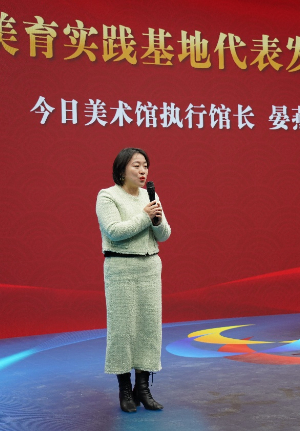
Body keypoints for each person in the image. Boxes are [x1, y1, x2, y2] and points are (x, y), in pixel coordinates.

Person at [95, 147, 171, 413]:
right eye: (136, 166)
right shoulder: (108, 196)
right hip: (121, 269)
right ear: (121, 169)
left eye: (145, 166)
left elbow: (164, 235)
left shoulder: (151, 197)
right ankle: (125, 389)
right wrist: (144, 216)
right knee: (123, 330)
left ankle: (143, 388)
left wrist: (157, 221)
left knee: (149, 329)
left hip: (149, 267)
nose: (142, 171)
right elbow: (114, 232)